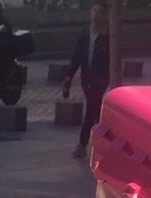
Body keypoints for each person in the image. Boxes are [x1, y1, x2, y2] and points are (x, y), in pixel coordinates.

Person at [62, 4, 111, 159]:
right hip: (87, 78)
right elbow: (76, 56)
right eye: (94, 10)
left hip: (101, 78)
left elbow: (112, 59)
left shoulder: (108, 36)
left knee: (91, 108)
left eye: (99, 11)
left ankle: (83, 144)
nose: (96, 14)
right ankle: (108, 140)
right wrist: (68, 77)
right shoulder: (85, 33)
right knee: (96, 110)